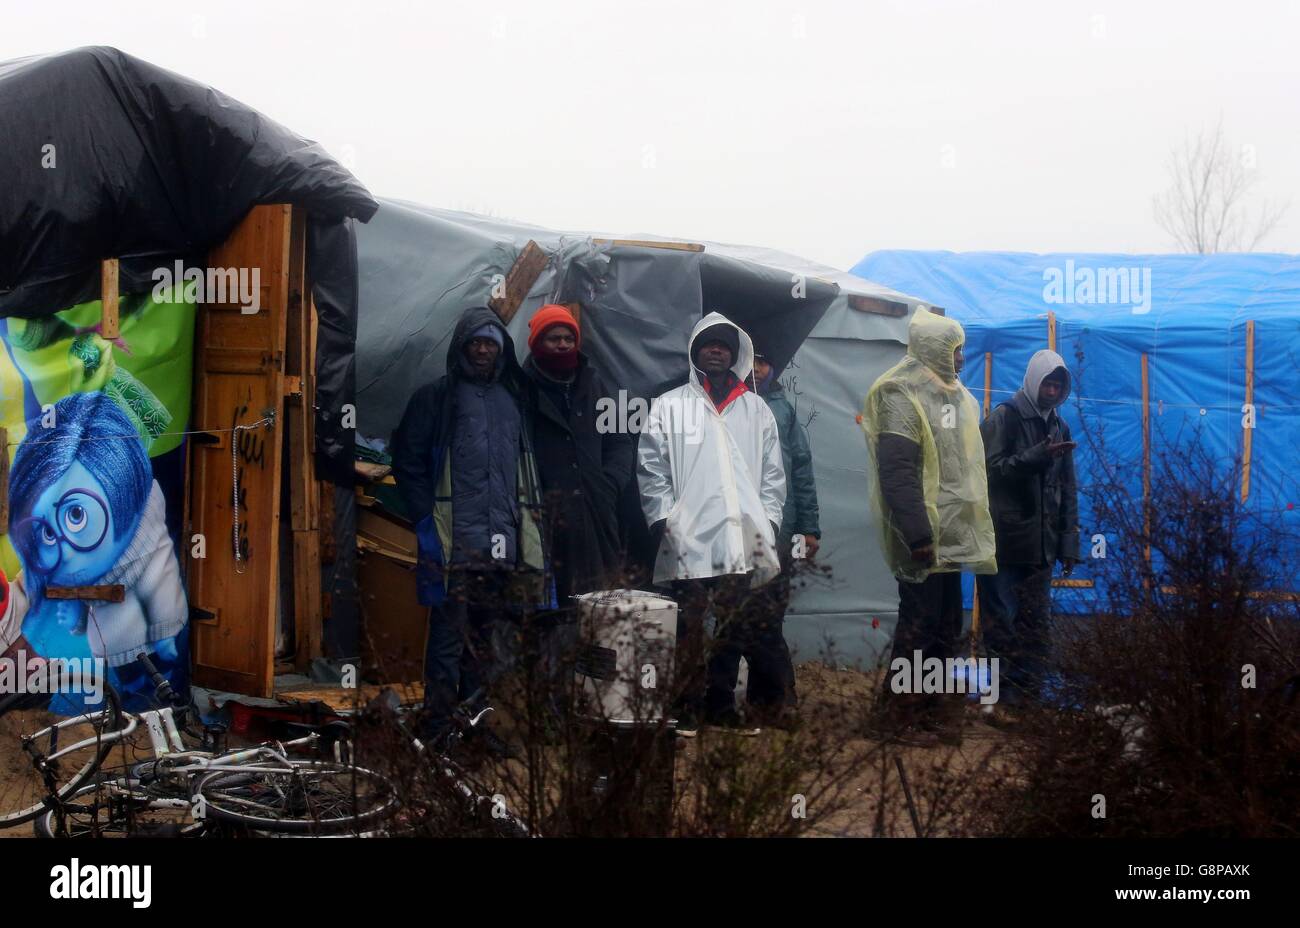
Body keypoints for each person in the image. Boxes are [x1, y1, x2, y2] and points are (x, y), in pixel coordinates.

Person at [391, 305, 553, 755]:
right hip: (454, 543)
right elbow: (406, 459)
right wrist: (425, 517)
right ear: (462, 346)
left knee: (486, 644)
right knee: (447, 639)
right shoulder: (437, 398)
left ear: (501, 349)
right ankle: (439, 730)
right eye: (476, 342)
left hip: (501, 547)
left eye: (490, 342)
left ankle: (475, 730)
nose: (483, 349)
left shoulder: (514, 400)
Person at [637, 312, 786, 736]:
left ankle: (720, 705)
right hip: (688, 537)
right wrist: (663, 517)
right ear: (695, 353)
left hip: (742, 537)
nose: (716, 350)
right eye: (708, 344)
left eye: (724, 345)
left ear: (736, 354)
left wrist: (769, 523)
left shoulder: (756, 409)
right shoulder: (671, 405)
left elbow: (774, 475)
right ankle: (684, 705)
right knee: (687, 624)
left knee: (734, 624)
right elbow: (651, 466)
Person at [860, 307, 996, 744]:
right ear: (937, 349)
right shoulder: (899, 394)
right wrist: (918, 534)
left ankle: (932, 712)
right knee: (916, 628)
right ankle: (899, 717)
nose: (961, 359)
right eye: (956, 350)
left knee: (944, 629)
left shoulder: (954, 397)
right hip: (922, 538)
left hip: (950, 541)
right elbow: (897, 472)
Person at [521, 304, 635, 725]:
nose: (563, 345)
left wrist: (611, 481)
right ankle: (548, 713)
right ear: (537, 344)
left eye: (568, 338)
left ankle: (595, 705)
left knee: (597, 610)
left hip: (594, 516)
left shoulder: (594, 384)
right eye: (554, 338)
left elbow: (621, 438)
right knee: (549, 616)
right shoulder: (523, 389)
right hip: (544, 519)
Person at [977, 349, 1079, 706]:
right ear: (1034, 381)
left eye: (1057, 387)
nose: (1051, 392)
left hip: (1042, 547)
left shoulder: (1059, 425)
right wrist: (1034, 458)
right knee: (1000, 625)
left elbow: (1067, 489)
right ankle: (997, 700)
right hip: (1003, 544)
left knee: (1036, 626)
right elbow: (985, 473)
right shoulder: (1004, 418)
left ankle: (1027, 700)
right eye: (1047, 384)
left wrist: (1068, 544)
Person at [749, 349, 821, 724]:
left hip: (783, 530)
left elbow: (802, 471)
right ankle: (771, 697)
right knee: (745, 615)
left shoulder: (785, 410)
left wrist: (809, 527)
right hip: (741, 530)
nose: (757, 368)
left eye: (764, 361)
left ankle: (774, 699)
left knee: (770, 614)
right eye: (752, 360)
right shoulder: (728, 405)